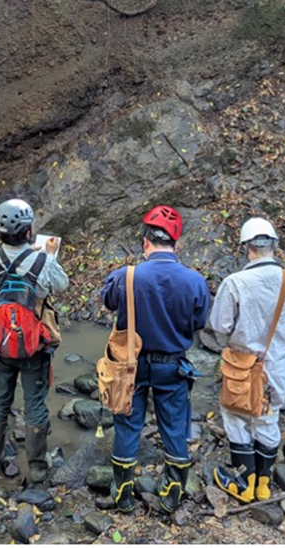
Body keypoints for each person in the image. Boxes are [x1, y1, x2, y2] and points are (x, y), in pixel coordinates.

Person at [101, 205, 211, 514]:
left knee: (126, 425)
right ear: (177, 244)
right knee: (174, 427)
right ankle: (172, 492)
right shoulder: (195, 281)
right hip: (172, 365)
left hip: (130, 367)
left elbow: (108, 301)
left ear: (144, 242)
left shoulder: (127, 275)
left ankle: (122, 493)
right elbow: (200, 321)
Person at [208, 218, 285, 503]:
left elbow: (219, 325)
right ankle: (264, 484)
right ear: (275, 246)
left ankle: (244, 482)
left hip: (242, 367)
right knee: (268, 419)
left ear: (247, 248)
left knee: (235, 417)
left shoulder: (235, 282)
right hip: (277, 366)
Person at [0, 199, 68, 485]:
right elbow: (61, 285)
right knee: (35, 403)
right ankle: (38, 468)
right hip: (34, 345)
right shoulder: (42, 260)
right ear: (29, 232)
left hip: (1, 342)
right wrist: (49, 256)